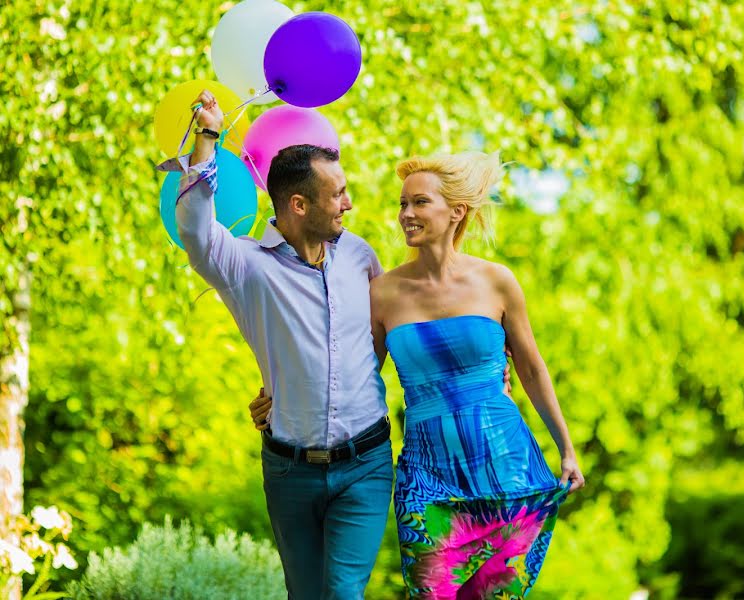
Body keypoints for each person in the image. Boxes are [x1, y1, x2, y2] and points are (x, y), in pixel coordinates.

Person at [253, 151, 585, 598]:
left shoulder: (497, 282)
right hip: (427, 473)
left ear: (456, 212)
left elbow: (530, 367)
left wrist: (566, 447)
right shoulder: (384, 292)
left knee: (493, 594)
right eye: (402, 204)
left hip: (501, 462)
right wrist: (285, 397)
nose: (406, 214)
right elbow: (346, 371)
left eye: (419, 203)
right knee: (434, 591)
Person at [157, 90, 393, 600]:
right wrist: (206, 139)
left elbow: (396, 324)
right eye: (339, 194)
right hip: (290, 469)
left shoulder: (359, 254)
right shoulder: (246, 266)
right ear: (298, 204)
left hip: (367, 463)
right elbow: (195, 231)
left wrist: (484, 361)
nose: (349, 203)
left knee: (345, 592)